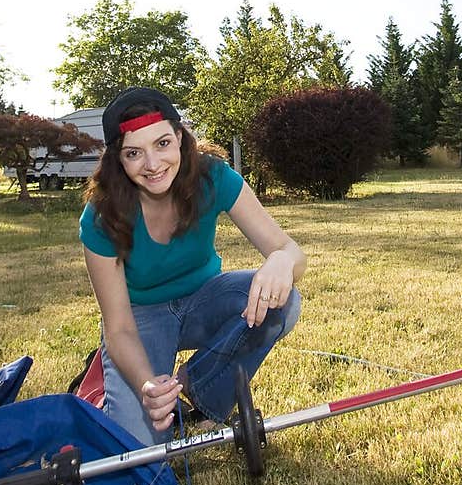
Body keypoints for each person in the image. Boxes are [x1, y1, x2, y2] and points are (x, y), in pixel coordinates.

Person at [79, 86, 305, 446]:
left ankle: (196, 392)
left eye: (163, 144)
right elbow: (118, 326)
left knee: (285, 302)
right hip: (142, 320)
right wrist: (146, 385)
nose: (153, 165)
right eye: (134, 153)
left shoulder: (211, 176)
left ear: (180, 137)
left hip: (205, 300)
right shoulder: (100, 215)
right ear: (117, 160)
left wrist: (281, 260)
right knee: (139, 452)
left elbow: (288, 249)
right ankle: (119, 385)